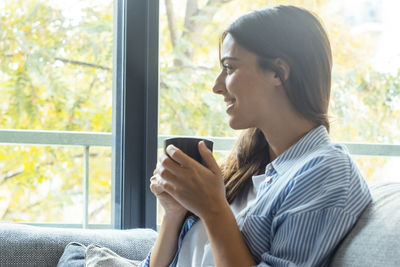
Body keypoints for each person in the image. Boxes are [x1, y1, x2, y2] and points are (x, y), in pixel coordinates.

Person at [58, 5, 371, 267]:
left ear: (278, 72)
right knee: (75, 253)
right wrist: (175, 211)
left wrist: (212, 207)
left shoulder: (326, 171)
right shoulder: (254, 163)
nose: (217, 85)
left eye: (229, 68)